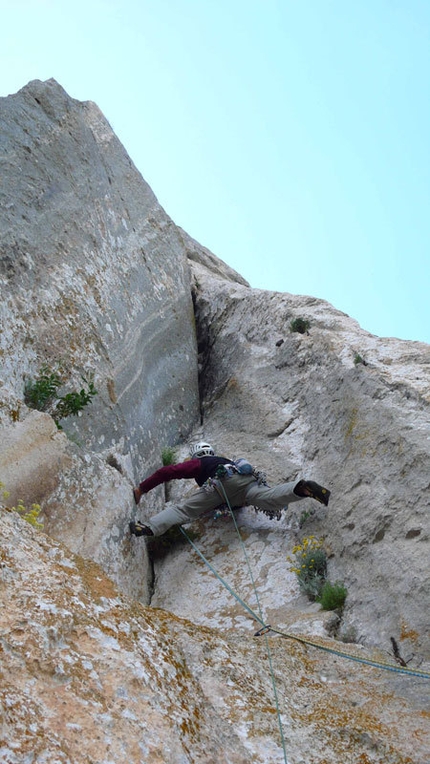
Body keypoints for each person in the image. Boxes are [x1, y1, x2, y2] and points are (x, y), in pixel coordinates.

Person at [129, 442, 330, 538]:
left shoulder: (201, 463)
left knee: (184, 510)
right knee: (268, 498)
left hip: (221, 484)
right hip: (247, 484)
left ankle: (148, 527)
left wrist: (142, 489)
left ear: (196, 455)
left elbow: (168, 471)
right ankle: (301, 489)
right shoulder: (226, 461)